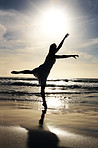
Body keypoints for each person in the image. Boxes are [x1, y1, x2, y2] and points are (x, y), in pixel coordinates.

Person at [11, 33, 79, 109]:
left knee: (33, 74)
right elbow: (62, 56)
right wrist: (71, 55)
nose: (55, 48)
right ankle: (44, 102)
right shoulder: (51, 55)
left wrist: (64, 38)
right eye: (54, 48)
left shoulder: (53, 53)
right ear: (51, 49)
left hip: (45, 71)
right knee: (36, 78)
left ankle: (44, 102)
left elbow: (60, 46)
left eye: (55, 47)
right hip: (43, 70)